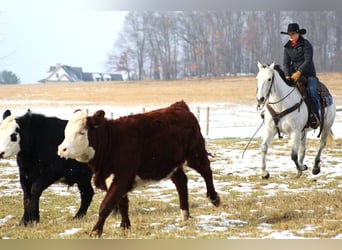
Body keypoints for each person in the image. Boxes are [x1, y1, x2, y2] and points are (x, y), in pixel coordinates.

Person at [281, 23, 320, 129]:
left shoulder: (306, 44)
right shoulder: (287, 47)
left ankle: (316, 117)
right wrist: (287, 75)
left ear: (298, 34)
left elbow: (308, 60)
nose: (290, 36)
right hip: (293, 76)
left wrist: (299, 72)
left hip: (308, 75)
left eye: (293, 34)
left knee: (312, 93)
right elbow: (285, 63)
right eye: (289, 34)